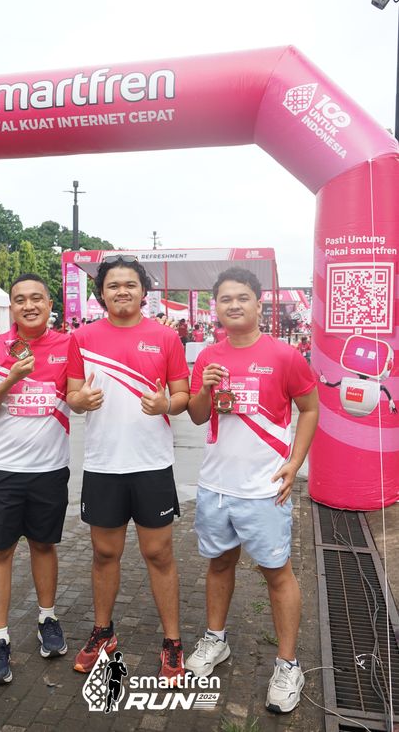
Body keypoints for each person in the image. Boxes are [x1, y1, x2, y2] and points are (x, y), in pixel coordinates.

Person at [185, 267, 318, 714]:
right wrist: (204, 388)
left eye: (242, 297)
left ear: (259, 304)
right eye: (225, 299)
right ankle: (215, 639)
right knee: (219, 564)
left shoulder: (284, 355)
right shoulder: (208, 355)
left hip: (264, 489)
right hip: (216, 486)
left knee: (276, 572)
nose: (234, 305)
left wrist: (295, 463)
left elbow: (310, 408)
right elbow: (197, 416)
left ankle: (288, 664)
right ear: (216, 308)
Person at [66, 255, 190, 686]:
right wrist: (79, 401)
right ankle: (103, 632)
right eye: (113, 285)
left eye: (130, 284)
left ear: (143, 291)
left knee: (159, 554)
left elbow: (182, 395)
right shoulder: (82, 338)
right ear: (101, 293)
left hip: (151, 464)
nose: (122, 291)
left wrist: (167, 404)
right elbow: (72, 394)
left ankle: (172, 641)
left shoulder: (165, 337)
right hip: (103, 465)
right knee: (104, 554)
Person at [0, 273, 71, 686]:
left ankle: (47, 618)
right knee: (0, 550)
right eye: (20, 299)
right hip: (2, 470)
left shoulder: (68, 345)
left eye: (36, 298)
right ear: (10, 307)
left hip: (50, 469)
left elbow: (77, 395)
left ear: (50, 304)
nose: (29, 305)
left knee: (44, 544)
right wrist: (10, 378)